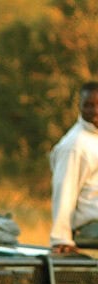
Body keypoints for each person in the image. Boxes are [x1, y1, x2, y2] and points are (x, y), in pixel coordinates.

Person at [49, 80, 98, 255]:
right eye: (88, 106)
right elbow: (65, 191)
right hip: (90, 225)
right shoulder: (75, 145)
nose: (95, 111)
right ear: (79, 107)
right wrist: (61, 238)